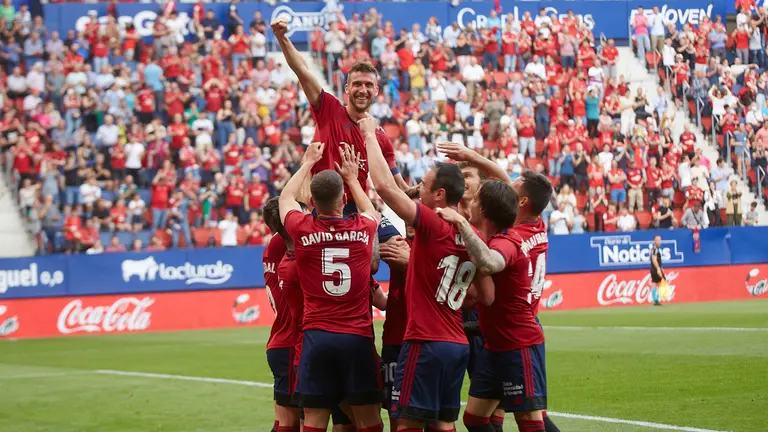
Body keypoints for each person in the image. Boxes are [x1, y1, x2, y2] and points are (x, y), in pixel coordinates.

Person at [364, 118, 494, 431]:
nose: (418, 189)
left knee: (407, 424)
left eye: (423, 185)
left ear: (439, 195)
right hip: (457, 344)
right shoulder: (474, 234)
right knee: (443, 425)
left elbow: (384, 188)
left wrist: (368, 134)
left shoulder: (434, 224)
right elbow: (486, 296)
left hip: (424, 343)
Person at [437, 141, 560, 432]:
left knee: (531, 419)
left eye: (514, 186)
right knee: (476, 418)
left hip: (519, 336)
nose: (507, 182)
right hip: (500, 336)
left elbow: (491, 262)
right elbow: (503, 184)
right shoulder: (534, 222)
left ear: (520, 203)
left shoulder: (511, 236)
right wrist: (471, 156)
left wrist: (464, 226)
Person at [271, 16, 406, 246]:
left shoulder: (379, 137)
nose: (362, 90)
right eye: (357, 84)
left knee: (400, 247)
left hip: (361, 206)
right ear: (347, 88)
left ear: (376, 91)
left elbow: (398, 187)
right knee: (368, 260)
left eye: (368, 85)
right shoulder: (330, 110)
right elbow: (303, 71)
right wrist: (282, 37)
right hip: (329, 207)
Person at [278, 141, 383, 432]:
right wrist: (352, 177)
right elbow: (371, 209)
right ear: (342, 199)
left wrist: (309, 162)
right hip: (357, 338)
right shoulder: (363, 229)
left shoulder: (301, 228)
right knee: (368, 419)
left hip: (317, 337)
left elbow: (285, 197)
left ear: (311, 202)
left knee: (313, 419)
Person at [262, 197, 299, 432]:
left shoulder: (274, 246)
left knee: (286, 421)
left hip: (283, 340)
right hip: (291, 342)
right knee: (294, 421)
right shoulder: (283, 246)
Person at [650, 235, 664, 306]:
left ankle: (655, 299)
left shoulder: (654, 248)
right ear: (654, 241)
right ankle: (656, 299)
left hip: (654, 268)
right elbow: (654, 259)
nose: (659, 242)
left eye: (660, 240)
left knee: (655, 283)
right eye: (657, 240)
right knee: (659, 283)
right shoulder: (655, 249)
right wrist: (658, 268)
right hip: (655, 268)